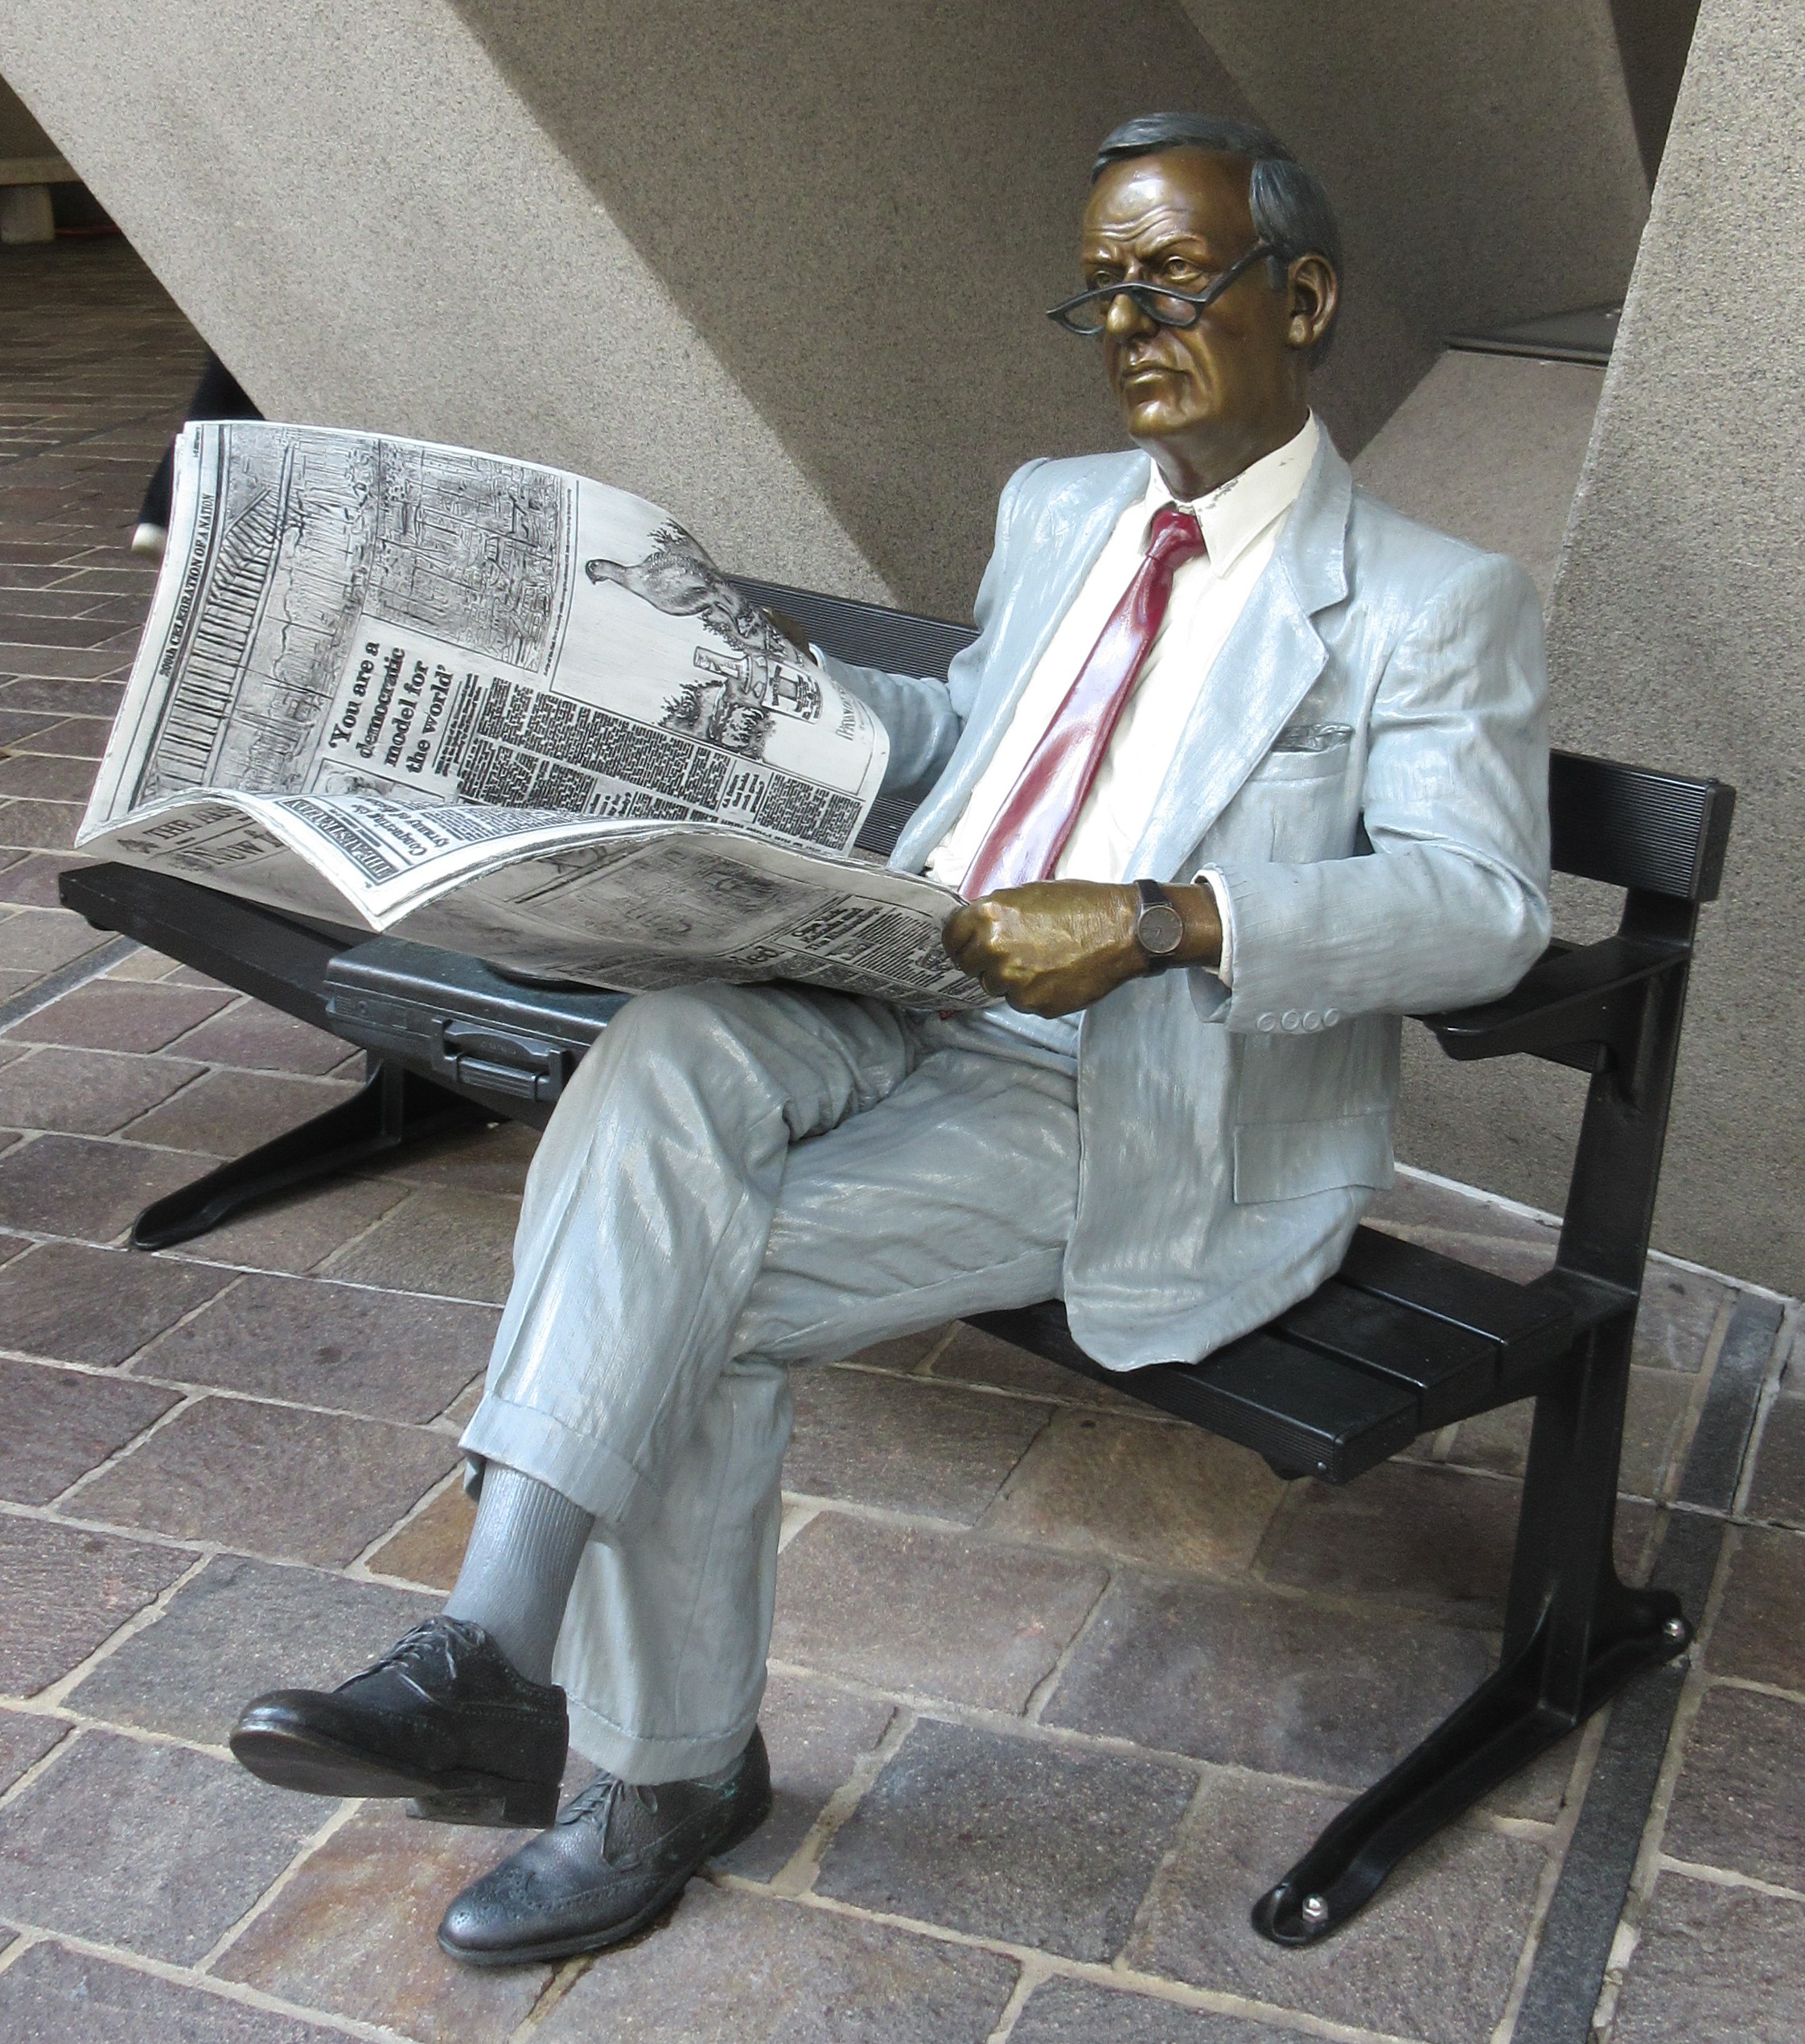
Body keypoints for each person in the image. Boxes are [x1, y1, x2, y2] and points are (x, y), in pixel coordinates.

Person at [228, 113, 1550, 1968]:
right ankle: (493, 1659)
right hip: (897, 973)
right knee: (660, 1056)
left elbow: (1485, 903)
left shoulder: (1430, 599)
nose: (1130, 322)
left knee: (686, 1295)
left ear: (1306, 298)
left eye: (1175, 279)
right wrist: (739, 680)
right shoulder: (1061, 508)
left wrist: (1166, 916)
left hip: (1132, 1091)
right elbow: (969, 731)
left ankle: (637, 1757)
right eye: (1102, 289)